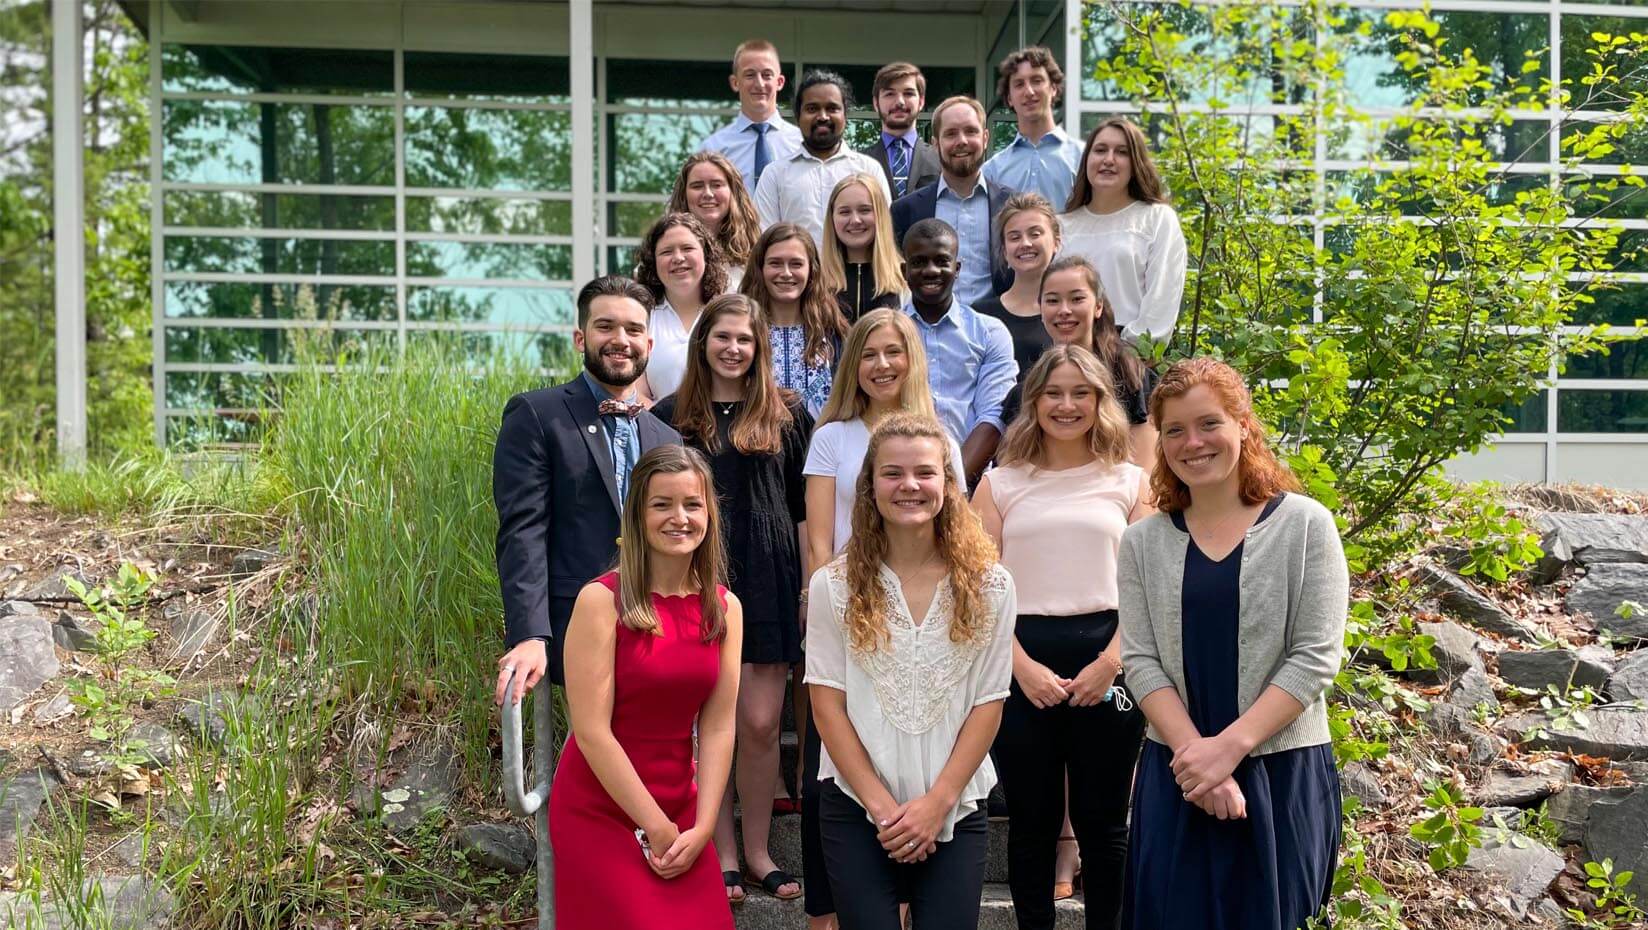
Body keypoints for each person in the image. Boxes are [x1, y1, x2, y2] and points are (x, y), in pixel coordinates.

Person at [1118, 357, 1347, 930]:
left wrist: (1230, 749)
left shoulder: (1305, 525)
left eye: (1208, 423)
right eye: (1174, 430)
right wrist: (1200, 759)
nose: (1192, 442)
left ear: (1244, 424)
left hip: (1280, 769)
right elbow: (1141, 661)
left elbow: (1316, 656)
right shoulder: (1142, 542)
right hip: (1178, 772)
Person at [805, 412, 1017, 930]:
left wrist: (936, 803)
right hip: (856, 803)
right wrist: (882, 807)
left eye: (924, 473)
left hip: (955, 804)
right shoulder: (834, 586)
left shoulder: (991, 586)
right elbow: (827, 704)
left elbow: (989, 702)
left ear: (948, 482)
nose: (910, 486)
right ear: (870, 485)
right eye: (893, 473)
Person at [972, 345, 1154, 930]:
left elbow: (1151, 587)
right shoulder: (1000, 483)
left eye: (1081, 393)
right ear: (1034, 402)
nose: (1066, 404)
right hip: (1022, 659)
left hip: (1113, 661)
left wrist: (1114, 661)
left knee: (1106, 826)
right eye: (1053, 392)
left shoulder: (1130, 480)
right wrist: (1019, 666)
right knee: (1031, 824)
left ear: (1102, 401)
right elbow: (976, 590)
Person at [524, 444, 743, 930]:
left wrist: (704, 824)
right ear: (637, 516)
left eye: (692, 504)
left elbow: (719, 725)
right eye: (661, 504)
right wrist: (656, 826)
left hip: (683, 806)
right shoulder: (600, 601)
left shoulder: (725, 608)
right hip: (601, 807)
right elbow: (592, 732)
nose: (679, 517)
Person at [799, 308, 966, 930]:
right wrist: (832, 607)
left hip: (925, 621)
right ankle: (827, 910)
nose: (882, 364)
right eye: (869, 353)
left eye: (894, 351)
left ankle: (906, 887)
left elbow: (957, 533)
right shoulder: (833, 435)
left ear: (912, 358)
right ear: (853, 364)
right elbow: (819, 542)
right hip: (850, 611)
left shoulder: (940, 438)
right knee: (829, 775)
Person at [651, 295, 812, 906]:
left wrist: (805, 587)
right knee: (704, 722)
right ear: (703, 343)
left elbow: (804, 511)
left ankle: (758, 850)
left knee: (761, 721)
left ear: (759, 348)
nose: (733, 348)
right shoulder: (671, 418)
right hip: (698, 581)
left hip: (771, 578)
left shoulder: (790, 414)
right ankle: (718, 853)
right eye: (722, 337)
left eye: (745, 339)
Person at [493, 275, 682, 692]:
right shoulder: (537, 415)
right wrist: (530, 634)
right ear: (581, 339)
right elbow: (523, 531)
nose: (621, 339)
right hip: (574, 624)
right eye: (605, 327)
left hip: (658, 625)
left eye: (634, 330)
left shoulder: (668, 437)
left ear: (649, 345)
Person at [1001, 254, 1159, 471]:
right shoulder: (1026, 391)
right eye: (1053, 300)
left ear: (1098, 306)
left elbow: (1146, 473)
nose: (1064, 310)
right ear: (1041, 309)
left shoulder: (1130, 377)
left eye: (1076, 299)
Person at [898, 218, 1017, 484]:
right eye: (919, 262)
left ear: (957, 268)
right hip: (901, 482)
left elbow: (994, 416)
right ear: (904, 270)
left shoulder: (989, 332)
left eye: (941, 261)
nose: (931, 270)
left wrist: (950, 485)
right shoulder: (885, 334)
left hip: (970, 483)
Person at [1058, 117, 1188, 344]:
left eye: (1121, 152)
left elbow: (1162, 301)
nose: (1109, 159)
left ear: (1136, 162)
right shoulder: (1061, 226)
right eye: (1100, 150)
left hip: (1130, 359)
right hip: (1068, 356)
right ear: (1087, 159)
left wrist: (1126, 354)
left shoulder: (1157, 219)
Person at [891, 96, 1015, 305]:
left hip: (996, 329)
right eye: (951, 133)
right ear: (935, 144)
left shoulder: (1011, 205)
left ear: (985, 138)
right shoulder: (905, 210)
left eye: (970, 131)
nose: (962, 141)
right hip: (926, 329)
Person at [753, 69, 889, 247]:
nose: (823, 116)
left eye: (832, 108)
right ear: (798, 116)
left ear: (845, 115)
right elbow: (764, 240)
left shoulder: (869, 169)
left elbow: (884, 233)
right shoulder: (775, 174)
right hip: (796, 274)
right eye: (812, 109)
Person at [739, 223, 848, 418]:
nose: (786, 273)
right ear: (760, 268)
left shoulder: (835, 335)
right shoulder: (741, 332)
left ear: (811, 270)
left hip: (821, 445)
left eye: (796, 264)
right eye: (775, 263)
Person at [635, 213, 728, 401]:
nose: (678, 258)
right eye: (666, 252)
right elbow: (635, 391)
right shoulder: (642, 318)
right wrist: (664, 430)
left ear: (705, 255)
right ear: (653, 261)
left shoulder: (728, 314)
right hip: (656, 427)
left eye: (687, 248)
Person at [982, 46, 1086, 210]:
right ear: (1009, 98)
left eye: (1037, 81)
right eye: (1019, 84)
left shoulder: (1083, 158)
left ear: (1053, 88)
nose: (1029, 91)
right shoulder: (992, 171)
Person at [972, 192, 1060, 378]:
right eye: (1014, 237)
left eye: (1035, 234)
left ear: (1056, 242)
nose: (1025, 243)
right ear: (1004, 251)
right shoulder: (980, 317)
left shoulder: (1071, 312)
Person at [698, 39, 801, 191]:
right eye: (750, 75)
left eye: (767, 75)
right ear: (735, 82)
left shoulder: (801, 145)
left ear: (779, 82)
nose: (759, 84)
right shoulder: (713, 149)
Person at [819, 173, 906, 323]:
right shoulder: (816, 280)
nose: (855, 220)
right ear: (832, 218)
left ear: (880, 215)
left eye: (865, 210)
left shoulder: (905, 278)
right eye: (844, 212)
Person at [669, 152, 762, 289]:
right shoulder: (664, 251)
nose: (707, 194)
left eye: (716, 185)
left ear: (733, 192)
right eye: (697, 186)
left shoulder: (756, 252)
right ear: (684, 194)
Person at [858, 61, 940, 200]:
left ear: (921, 102)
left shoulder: (940, 159)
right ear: (876, 103)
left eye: (908, 93)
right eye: (890, 94)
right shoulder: (859, 163)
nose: (900, 102)